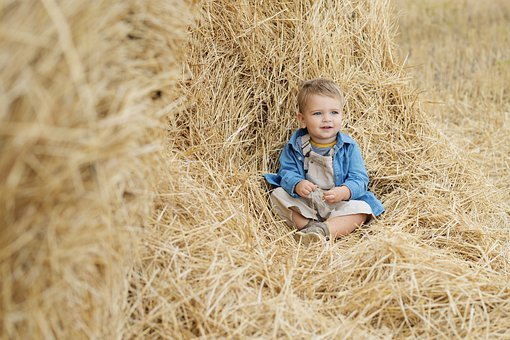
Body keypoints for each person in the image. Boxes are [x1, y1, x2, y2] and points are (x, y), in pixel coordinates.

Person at [264, 78, 384, 244]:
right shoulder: (295, 146)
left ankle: (324, 230)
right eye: (318, 113)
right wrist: (297, 184)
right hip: (308, 203)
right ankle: (310, 227)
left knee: (362, 209)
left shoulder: (349, 147)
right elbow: (286, 172)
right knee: (277, 196)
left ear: (342, 114)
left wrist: (344, 191)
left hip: (339, 204)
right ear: (302, 119)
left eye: (334, 112)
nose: (327, 119)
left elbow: (359, 179)